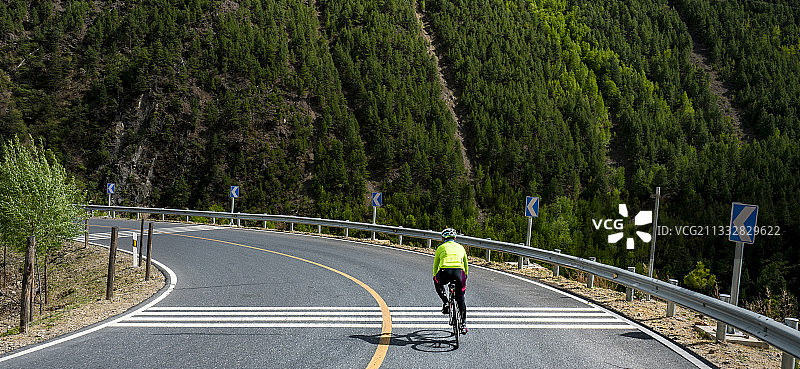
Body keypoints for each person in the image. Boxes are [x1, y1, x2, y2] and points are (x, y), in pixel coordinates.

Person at [433, 227, 468, 334]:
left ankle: (446, 302)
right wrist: (465, 277)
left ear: (443, 238)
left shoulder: (440, 247)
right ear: (455, 238)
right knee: (460, 298)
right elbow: (466, 265)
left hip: (445, 271)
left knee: (437, 281)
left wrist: (435, 277)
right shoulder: (461, 247)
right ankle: (463, 324)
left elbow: (435, 266)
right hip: (459, 273)